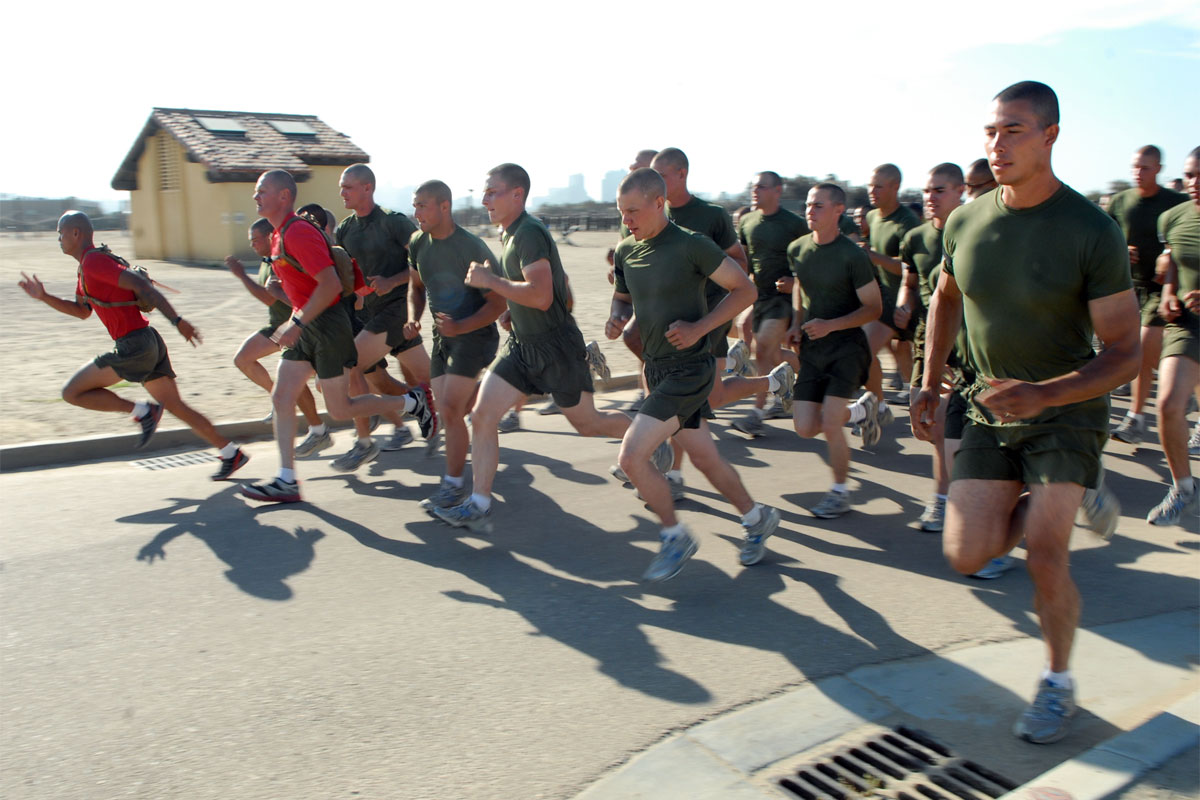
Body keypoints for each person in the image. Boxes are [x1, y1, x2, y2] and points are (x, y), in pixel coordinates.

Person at [911, 82, 1139, 744]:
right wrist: (928, 381)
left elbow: (1124, 351)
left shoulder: (1091, 230)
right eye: (991, 131)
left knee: (1045, 550)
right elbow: (945, 298)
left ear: (1050, 136)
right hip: (986, 405)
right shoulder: (966, 219)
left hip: (1065, 407)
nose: (997, 143)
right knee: (965, 553)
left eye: (1013, 130)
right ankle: (1060, 498)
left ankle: (1057, 682)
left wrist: (1043, 393)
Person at [434, 163, 668, 532]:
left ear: (517, 195)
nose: (484, 199)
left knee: (589, 425)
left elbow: (542, 297)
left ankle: (647, 440)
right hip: (522, 347)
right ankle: (478, 502)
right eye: (485, 192)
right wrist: (512, 309)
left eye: (493, 192)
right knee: (481, 416)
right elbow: (534, 292)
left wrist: (491, 281)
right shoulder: (509, 233)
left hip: (556, 347)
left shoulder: (528, 233)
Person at [609, 168, 781, 580]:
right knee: (705, 457)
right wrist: (616, 320)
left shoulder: (691, 246)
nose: (627, 219)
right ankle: (757, 518)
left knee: (632, 457)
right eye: (621, 212)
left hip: (690, 369)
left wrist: (700, 328)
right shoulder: (626, 251)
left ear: (658, 202)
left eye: (633, 210)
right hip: (657, 368)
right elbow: (622, 299)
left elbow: (746, 291)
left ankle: (674, 535)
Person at [241, 170, 436, 503]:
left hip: (333, 325)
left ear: (284, 196)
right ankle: (287, 478)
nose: (255, 197)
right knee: (282, 397)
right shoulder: (279, 236)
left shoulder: (299, 232)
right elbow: (316, 284)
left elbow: (330, 284)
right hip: (315, 324)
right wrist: (295, 317)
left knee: (342, 408)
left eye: (262, 192)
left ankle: (411, 404)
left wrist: (298, 323)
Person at [19, 211, 248, 479]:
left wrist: (177, 320)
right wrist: (44, 296)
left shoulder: (94, 262)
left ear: (76, 233)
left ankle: (143, 411)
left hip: (134, 346)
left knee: (72, 392)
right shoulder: (85, 268)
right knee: (176, 406)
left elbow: (140, 284)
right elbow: (82, 311)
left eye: (60, 233)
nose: (58, 238)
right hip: (147, 340)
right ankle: (231, 453)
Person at [405, 180, 507, 512]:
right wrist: (413, 316)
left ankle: (452, 485)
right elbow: (416, 286)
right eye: (415, 205)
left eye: (422, 205)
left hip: (475, 336)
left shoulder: (471, 247)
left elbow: (499, 303)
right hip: (442, 338)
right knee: (451, 411)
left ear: (444, 207)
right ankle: (496, 399)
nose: (416, 212)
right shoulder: (418, 243)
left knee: (449, 409)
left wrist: (460, 325)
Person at [786, 183, 883, 518]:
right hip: (813, 350)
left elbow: (873, 308)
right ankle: (860, 412)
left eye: (819, 207)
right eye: (809, 206)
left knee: (829, 423)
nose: (810, 212)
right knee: (803, 427)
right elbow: (800, 285)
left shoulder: (852, 254)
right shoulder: (798, 248)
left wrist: (831, 325)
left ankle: (840, 492)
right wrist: (797, 322)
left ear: (839, 210)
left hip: (846, 348)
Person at [334, 163, 434, 470]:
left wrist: (392, 281)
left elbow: (425, 261)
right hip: (371, 316)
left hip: (397, 311)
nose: (342, 193)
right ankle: (436, 408)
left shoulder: (393, 222)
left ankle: (364, 444)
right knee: (436, 381)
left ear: (368, 188)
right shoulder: (345, 229)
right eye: (341, 187)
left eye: (348, 187)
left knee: (350, 365)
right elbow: (344, 275)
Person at [894, 164, 964, 531]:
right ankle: (947, 494)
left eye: (939, 191)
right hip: (928, 339)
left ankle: (944, 499)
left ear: (960, 191)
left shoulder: (972, 231)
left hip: (967, 342)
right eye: (926, 191)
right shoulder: (915, 238)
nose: (930, 198)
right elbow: (909, 280)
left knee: (944, 425)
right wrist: (904, 303)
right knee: (931, 424)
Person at [225, 218, 331, 457]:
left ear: (268, 236)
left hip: (294, 325)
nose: (252, 244)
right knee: (243, 359)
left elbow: (269, 298)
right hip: (277, 325)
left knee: (311, 382)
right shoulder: (266, 261)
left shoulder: (279, 259)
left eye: (255, 239)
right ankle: (282, 400)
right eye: (250, 240)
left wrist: (241, 276)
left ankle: (318, 426)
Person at [1106, 146, 1187, 444]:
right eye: (1135, 168)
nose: (1138, 174)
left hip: (1165, 287)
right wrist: (1120, 250)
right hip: (1129, 287)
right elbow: (1105, 235)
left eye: (1145, 168)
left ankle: (1136, 418)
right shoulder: (1120, 201)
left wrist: (1171, 254)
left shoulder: (1175, 202)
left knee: (1143, 350)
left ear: (1159, 169)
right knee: (1139, 354)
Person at [1147, 146, 1200, 526]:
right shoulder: (1174, 217)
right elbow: (1172, 267)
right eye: (1191, 175)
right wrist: (1168, 295)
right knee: (1167, 404)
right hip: (1189, 326)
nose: (1194, 184)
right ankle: (1183, 488)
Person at [731, 172, 806, 436]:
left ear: (777, 190)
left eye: (761, 187)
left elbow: (812, 257)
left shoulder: (793, 224)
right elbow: (746, 261)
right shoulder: (748, 221)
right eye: (753, 187)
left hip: (785, 298)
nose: (755, 191)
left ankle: (756, 414)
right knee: (753, 336)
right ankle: (798, 381)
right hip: (759, 295)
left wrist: (795, 281)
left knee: (763, 348)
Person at [856, 164, 921, 433]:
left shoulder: (907, 222)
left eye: (879, 186)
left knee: (904, 357)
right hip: (882, 302)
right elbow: (871, 255)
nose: (872, 191)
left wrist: (873, 256)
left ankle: (933, 405)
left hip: (905, 301)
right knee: (875, 351)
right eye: (871, 185)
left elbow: (910, 267)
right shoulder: (871, 217)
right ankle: (880, 407)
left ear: (895, 187)